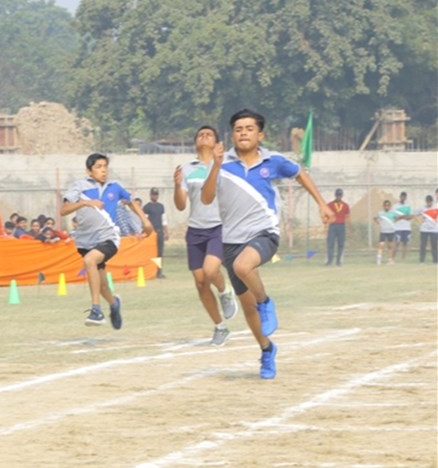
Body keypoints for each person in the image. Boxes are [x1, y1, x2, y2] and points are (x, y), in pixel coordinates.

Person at [200, 108, 332, 379]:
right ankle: (267, 349)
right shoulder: (222, 163)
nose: (243, 133)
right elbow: (206, 197)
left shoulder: (273, 161)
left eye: (249, 129)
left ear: (260, 135)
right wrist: (215, 165)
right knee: (247, 307)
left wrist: (322, 203)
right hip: (231, 239)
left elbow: (300, 173)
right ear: (232, 135)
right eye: (238, 129)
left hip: (265, 233)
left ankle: (266, 301)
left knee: (243, 267)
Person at [62, 152, 154, 328]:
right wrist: (86, 203)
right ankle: (114, 303)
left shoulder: (115, 187)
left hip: (109, 237)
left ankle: (96, 311)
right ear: (89, 171)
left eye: (105, 166)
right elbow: (64, 210)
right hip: (85, 241)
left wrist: (146, 222)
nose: (103, 170)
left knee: (90, 260)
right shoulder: (79, 186)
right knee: (103, 286)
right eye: (98, 167)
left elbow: (131, 202)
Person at [173, 125, 239, 346]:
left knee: (211, 270)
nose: (204, 136)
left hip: (219, 227)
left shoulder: (225, 166)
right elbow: (180, 205)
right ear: (195, 142)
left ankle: (225, 291)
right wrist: (176, 186)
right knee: (201, 282)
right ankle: (220, 327)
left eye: (209, 134)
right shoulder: (187, 169)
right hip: (195, 230)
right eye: (200, 134)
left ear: (217, 143)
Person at [142, 187, 167, 278]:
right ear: (150, 195)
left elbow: (164, 220)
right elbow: (145, 221)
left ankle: (159, 272)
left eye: (156, 194)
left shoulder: (161, 207)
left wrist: (166, 232)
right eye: (153, 194)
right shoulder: (147, 207)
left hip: (159, 232)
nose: (155, 196)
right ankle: (150, 271)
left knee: (159, 252)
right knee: (150, 252)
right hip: (151, 233)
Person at [324, 188, 350, 266]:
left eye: (340, 195)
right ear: (335, 195)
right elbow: (326, 215)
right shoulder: (330, 205)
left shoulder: (345, 205)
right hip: (333, 226)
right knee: (330, 243)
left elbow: (347, 216)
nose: (339, 196)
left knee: (341, 244)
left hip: (341, 226)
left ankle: (339, 261)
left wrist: (348, 227)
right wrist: (326, 225)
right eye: (337, 195)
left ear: (342, 195)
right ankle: (329, 261)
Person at [418, 194, 438, 264]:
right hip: (424, 229)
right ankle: (421, 260)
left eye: (430, 201)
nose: (429, 203)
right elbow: (415, 214)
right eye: (428, 201)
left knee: (434, 245)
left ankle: (435, 260)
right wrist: (419, 220)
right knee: (423, 245)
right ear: (426, 201)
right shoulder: (422, 208)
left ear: (432, 201)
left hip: (434, 229)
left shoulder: (436, 208)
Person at [392, 191, 413, 260]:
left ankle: (403, 258)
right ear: (400, 197)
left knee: (405, 243)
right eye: (402, 196)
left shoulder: (408, 206)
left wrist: (402, 217)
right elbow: (394, 217)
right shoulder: (395, 206)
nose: (403, 198)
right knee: (396, 243)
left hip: (406, 228)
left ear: (406, 198)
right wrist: (402, 217)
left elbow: (410, 217)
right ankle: (392, 258)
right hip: (398, 228)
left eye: (404, 197)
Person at [375, 200, 398, 265]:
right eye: (385, 205)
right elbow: (375, 218)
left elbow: (396, 218)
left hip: (391, 231)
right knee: (381, 245)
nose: (386, 207)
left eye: (388, 205)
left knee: (390, 246)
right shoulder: (380, 213)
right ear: (383, 206)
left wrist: (393, 224)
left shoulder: (393, 213)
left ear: (390, 206)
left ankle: (390, 260)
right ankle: (379, 259)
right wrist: (378, 223)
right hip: (383, 231)